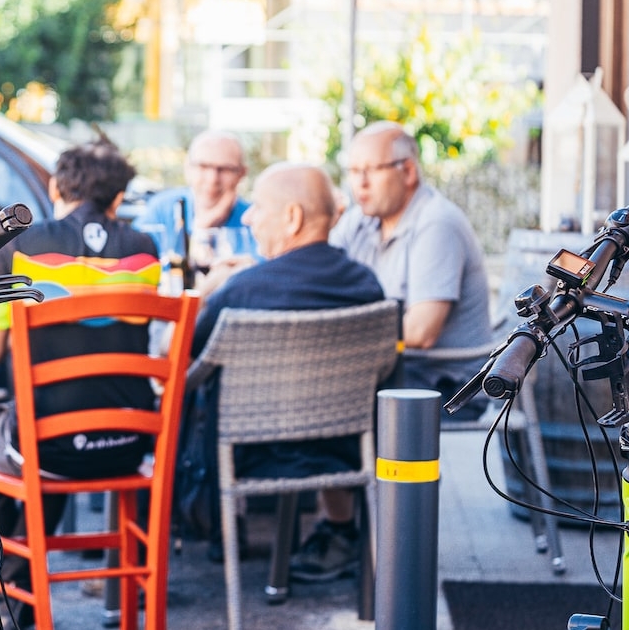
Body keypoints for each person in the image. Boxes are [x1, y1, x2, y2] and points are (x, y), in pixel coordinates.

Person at [0, 139, 160, 628]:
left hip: (48, 451)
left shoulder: (18, 246)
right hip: (128, 446)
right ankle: (17, 590)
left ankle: (10, 592)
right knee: (35, 434)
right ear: (118, 199)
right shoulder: (145, 251)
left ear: (55, 187)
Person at [191, 161, 385, 583]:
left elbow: (189, 359)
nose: (247, 216)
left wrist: (203, 296)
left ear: (293, 217)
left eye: (258, 206)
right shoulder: (368, 286)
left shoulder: (243, 291)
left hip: (251, 453)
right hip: (348, 449)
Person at [330, 121, 490, 420]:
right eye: (353, 171)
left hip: (444, 386)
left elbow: (420, 332)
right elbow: (322, 277)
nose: (360, 183)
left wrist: (338, 334)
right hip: (392, 374)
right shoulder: (359, 221)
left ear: (408, 172)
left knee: (326, 408)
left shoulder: (436, 223)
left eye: (372, 169)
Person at [133, 129, 256, 275]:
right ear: (188, 168)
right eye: (203, 167)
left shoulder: (254, 219)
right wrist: (202, 227)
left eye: (224, 170)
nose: (212, 179)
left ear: (242, 173)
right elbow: (134, 264)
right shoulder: (162, 208)